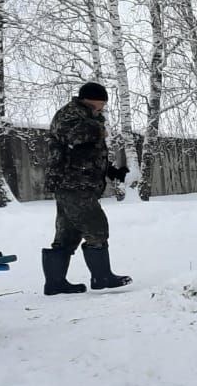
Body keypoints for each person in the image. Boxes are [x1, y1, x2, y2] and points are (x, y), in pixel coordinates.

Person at [42, 81, 132, 295]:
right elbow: (76, 139)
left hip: (77, 184)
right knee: (96, 227)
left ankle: (55, 283)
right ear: (92, 99)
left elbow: (88, 154)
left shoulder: (88, 117)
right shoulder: (70, 115)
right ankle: (102, 278)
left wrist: (111, 171)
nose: (103, 107)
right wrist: (99, 129)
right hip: (73, 184)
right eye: (101, 103)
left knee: (67, 234)